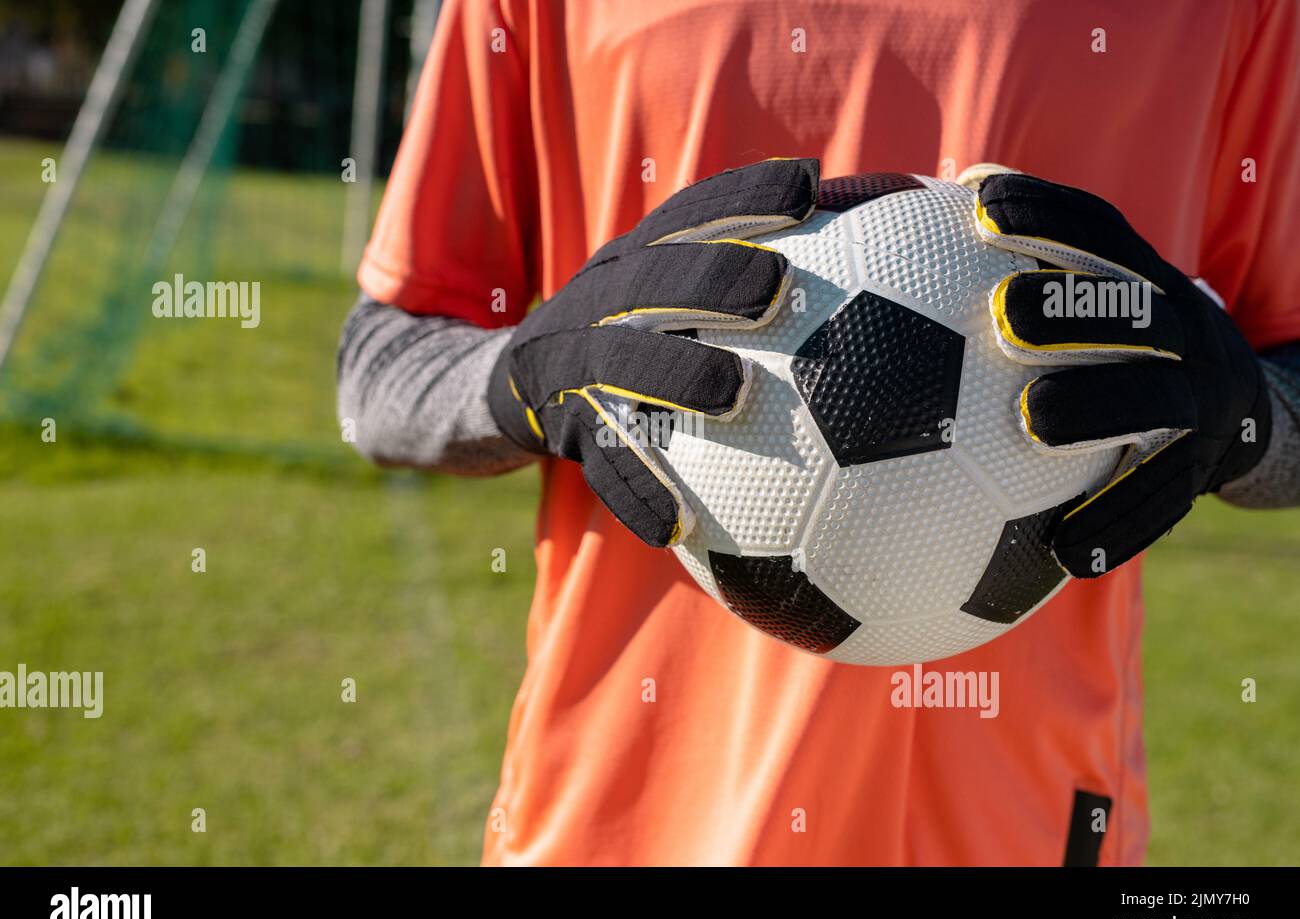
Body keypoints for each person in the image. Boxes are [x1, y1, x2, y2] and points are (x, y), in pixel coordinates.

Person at [337, 0, 1300, 865]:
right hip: (620, 824)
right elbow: (378, 369)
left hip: (1029, 823)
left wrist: (1244, 414)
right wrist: (522, 378)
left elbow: (1283, 387)